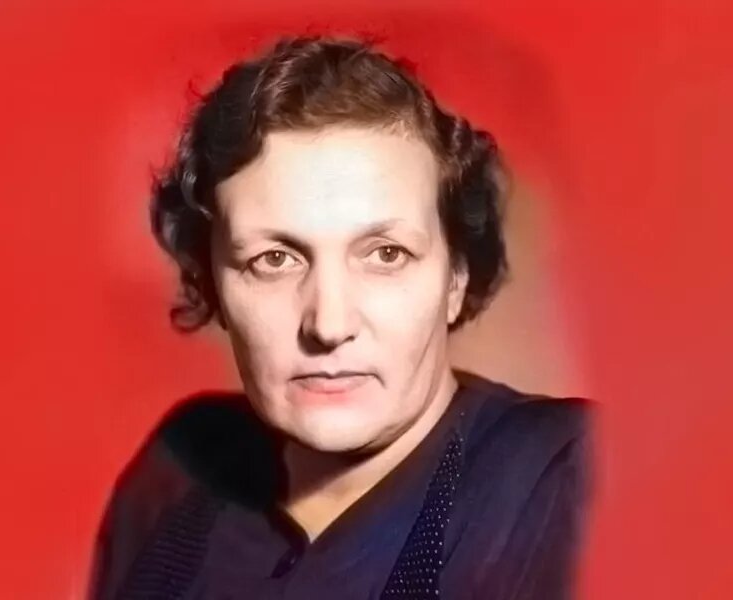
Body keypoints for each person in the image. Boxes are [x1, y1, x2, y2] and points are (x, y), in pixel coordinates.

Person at [89, 35, 593, 600]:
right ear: (213, 284)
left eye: (386, 255)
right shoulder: (178, 470)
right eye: (274, 260)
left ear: (455, 279)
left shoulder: (566, 480)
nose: (329, 326)